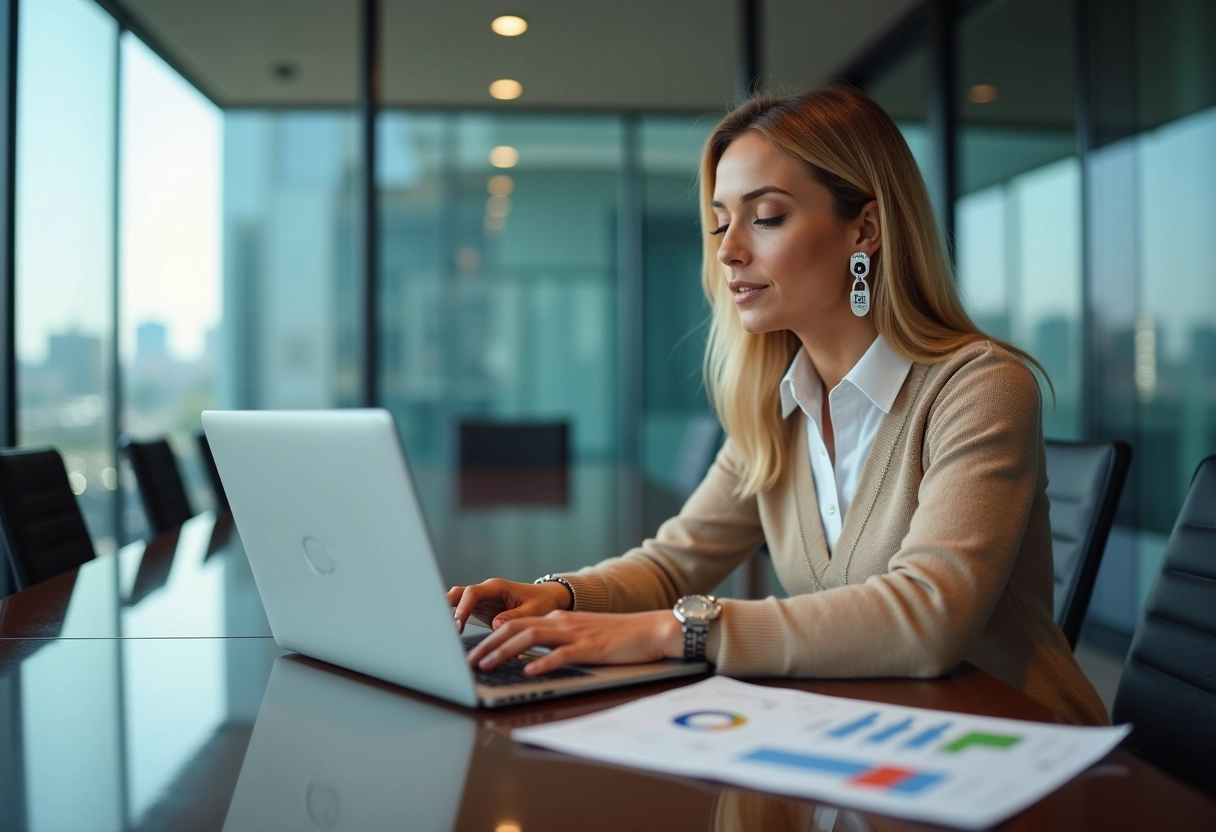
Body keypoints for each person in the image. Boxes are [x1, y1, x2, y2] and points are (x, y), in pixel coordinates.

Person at [450, 87, 1108, 727]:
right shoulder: (777, 405)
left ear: (866, 228)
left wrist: (672, 633)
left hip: (1018, 748)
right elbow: (676, 562)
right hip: (864, 739)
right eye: (719, 222)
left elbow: (927, 616)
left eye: (765, 217)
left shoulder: (978, 386)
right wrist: (559, 595)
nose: (729, 248)